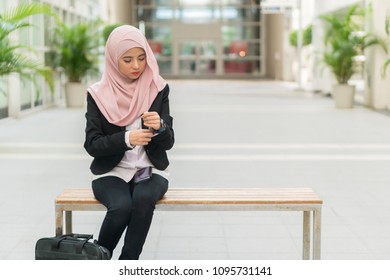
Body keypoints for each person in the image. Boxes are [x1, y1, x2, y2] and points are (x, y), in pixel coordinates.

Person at [84, 25, 174, 260]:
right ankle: (98, 260)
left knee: (143, 199)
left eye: (142, 58)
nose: (136, 66)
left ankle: (127, 265)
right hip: (110, 171)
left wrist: (161, 127)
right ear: (114, 60)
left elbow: (168, 141)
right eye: (127, 59)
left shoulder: (158, 88)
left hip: (150, 170)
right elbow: (92, 144)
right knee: (122, 207)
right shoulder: (97, 94)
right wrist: (126, 139)